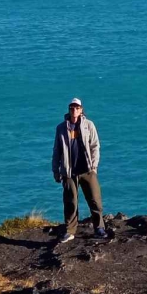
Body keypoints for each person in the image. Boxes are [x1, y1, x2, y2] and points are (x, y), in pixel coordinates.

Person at [52, 97, 104, 243]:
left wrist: (94, 166)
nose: (74, 110)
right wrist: (56, 170)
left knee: (95, 200)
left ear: (81, 110)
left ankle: (99, 228)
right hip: (69, 172)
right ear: (69, 110)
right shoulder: (61, 128)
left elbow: (95, 146)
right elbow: (57, 150)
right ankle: (70, 230)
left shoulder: (89, 125)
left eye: (77, 108)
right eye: (71, 108)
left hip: (87, 170)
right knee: (70, 202)